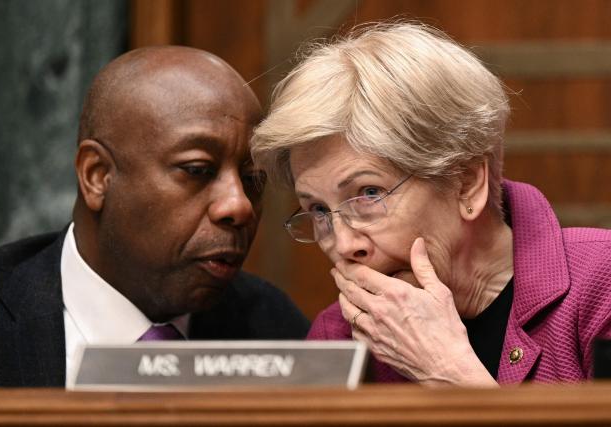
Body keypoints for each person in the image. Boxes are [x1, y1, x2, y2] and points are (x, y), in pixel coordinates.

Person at [250, 22, 611, 386]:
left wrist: (450, 373)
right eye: (320, 211)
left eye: (369, 194)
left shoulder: (602, 283)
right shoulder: (341, 335)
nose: (343, 246)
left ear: (466, 184)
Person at [0, 46, 309, 387]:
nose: (239, 206)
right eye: (197, 169)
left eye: (252, 180)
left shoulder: (274, 328)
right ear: (97, 175)